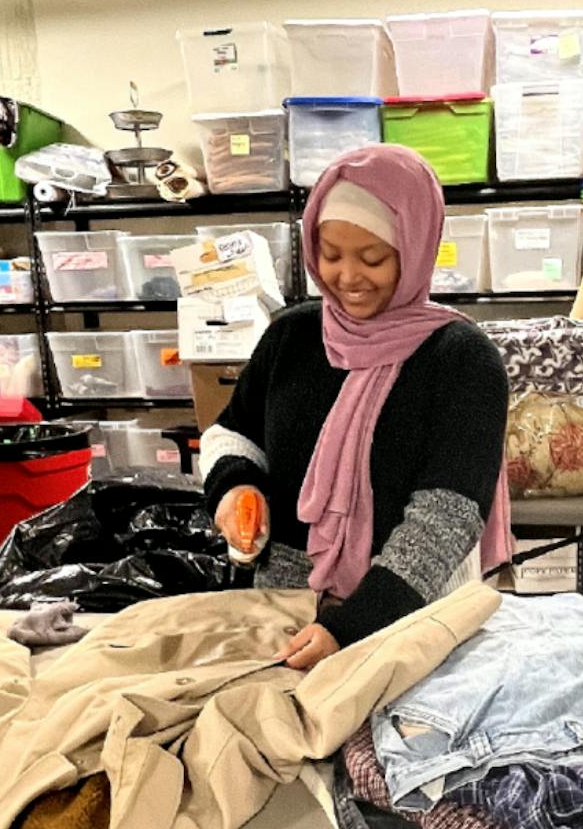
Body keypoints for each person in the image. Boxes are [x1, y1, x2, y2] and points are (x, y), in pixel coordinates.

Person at [199, 142, 512, 671]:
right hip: (287, 609)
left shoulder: (462, 362)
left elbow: (443, 523)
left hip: (416, 615)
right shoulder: (291, 338)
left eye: (373, 258)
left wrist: (350, 626)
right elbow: (234, 433)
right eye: (331, 254)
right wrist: (234, 488)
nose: (347, 278)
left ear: (415, 250)